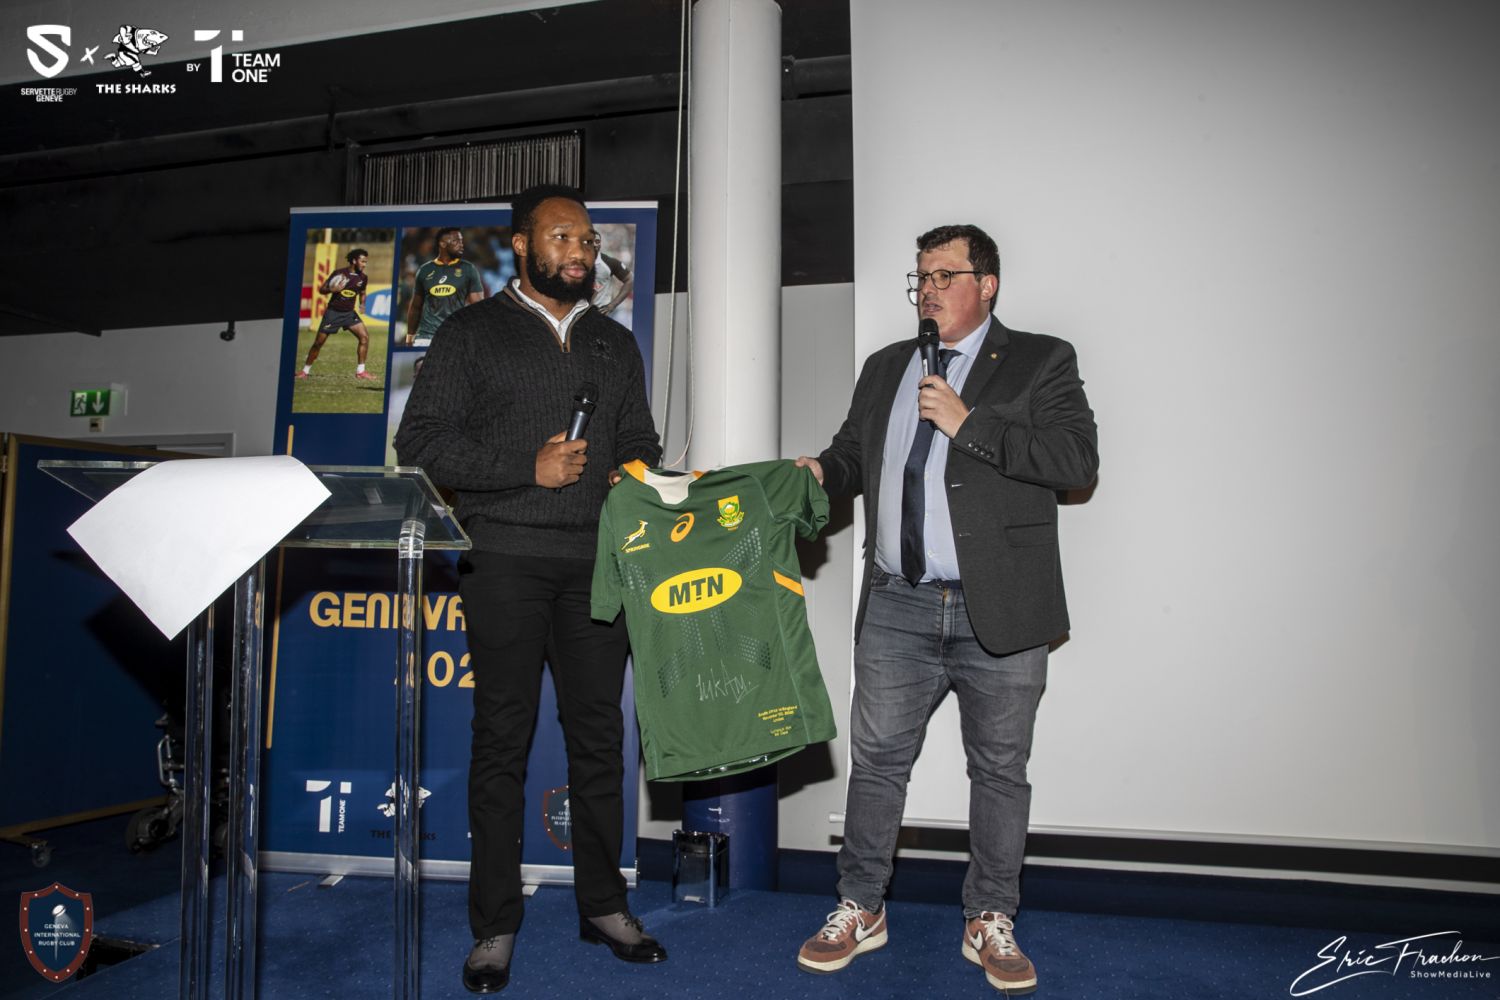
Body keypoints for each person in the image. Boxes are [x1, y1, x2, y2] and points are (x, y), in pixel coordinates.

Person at [793, 224, 1098, 995]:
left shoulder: (1040, 359)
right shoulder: (887, 367)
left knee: (999, 771)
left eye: (944, 276)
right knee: (877, 764)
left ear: (986, 285)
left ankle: (989, 917)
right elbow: (855, 458)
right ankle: (861, 905)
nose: (927, 290)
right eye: (920, 278)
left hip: (1001, 607)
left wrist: (971, 423)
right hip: (898, 603)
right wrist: (821, 472)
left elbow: (1076, 462)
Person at [394, 184, 665, 995]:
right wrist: (527, 468)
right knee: (501, 742)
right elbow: (420, 442)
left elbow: (639, 438)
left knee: (599, 739)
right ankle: (495, 924)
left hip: (597, 565)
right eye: (561, 237)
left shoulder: (613, 342)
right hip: (503, 558)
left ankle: (604, 905)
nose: (579, 252)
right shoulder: (471, 332)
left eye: (586, 240)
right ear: (521, 245)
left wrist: (634, 471)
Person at [296, 248, 376, 380]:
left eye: (366, 262)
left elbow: (362, 292)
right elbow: (322, 289)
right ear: (354, 261)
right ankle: (305, 371)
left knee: (364, 338)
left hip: (349, 314)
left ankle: (361, 372)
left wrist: (362, 304)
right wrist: (333, 289)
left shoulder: (363, 277)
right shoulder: (339, 273)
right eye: (362, 261)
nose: (364, 264)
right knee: (318, 343)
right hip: (333, 313)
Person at [404, 227, 485, 346]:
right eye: (456, 241)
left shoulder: (468, 269)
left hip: (455, 337)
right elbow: (416, 307)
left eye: (461, 240)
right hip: (426, 337)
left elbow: (478, 308)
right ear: (442, 244)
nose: (461, 244)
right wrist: (409, 338)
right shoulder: (424, 270)